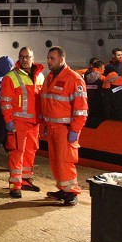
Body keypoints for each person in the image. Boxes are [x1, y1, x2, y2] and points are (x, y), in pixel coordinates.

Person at [40, 46, 87, 206]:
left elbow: (81, 109)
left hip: (65, 129)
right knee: (56, 160)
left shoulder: (73, 79)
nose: (49, 61)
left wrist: (75, 130)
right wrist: (46, 124)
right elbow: (47, 103)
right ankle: (63, 189)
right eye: (48, 58)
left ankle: (72, 193)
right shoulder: (50, 78)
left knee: (65, 160)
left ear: (62, 59)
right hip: (53, 127)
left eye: (52, 58)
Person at [1, 47, 44, 198]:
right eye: (22, 57)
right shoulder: (11, 77)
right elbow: (5, 102)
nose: (25, 59)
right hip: (18, 122)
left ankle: (25, 180)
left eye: (28, 57)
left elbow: (42, 100)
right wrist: (8, 120)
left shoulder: (40, 76)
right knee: (17, 153)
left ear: (33, 58)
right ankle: (15, 185)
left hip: (34, 122)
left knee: (30, 152)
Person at [84, 57, 109, 128]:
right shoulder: (102, 78)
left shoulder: (87, 77)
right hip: (99, 102)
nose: (104, 69)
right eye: (103, 67)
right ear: (100, 67)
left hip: (90, 102)